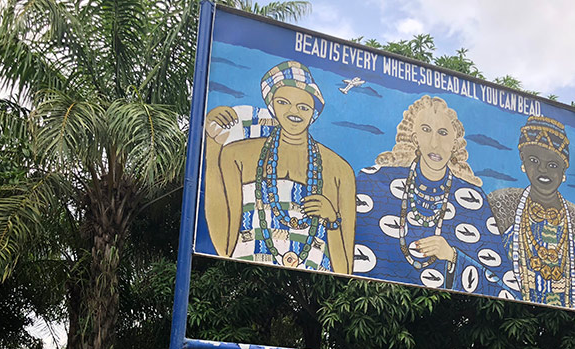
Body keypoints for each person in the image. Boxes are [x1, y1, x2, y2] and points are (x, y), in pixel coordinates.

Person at [354, 95, 518, 297]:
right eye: (425, 130)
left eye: (443, 133)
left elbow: (508, 289)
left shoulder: (473, 201)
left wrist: (451, 256)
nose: (434, 143)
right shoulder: (374, 182)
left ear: (454, 143)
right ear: (414, 138)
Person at [204, 60, 356, 274]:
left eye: (303, 107)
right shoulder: (236, 155)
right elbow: (224, 245)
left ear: (314, 111)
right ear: (272, 105)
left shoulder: (340, 171)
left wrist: (331, 218)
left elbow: (345, 269)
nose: (294, 112)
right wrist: (212, 146)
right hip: (246, 282)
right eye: (284, 102)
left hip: (316, 293)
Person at [487, 116, 575, 312]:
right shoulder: (503, 203)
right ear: (523, 163)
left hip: (572, 330)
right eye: (534, 160)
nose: (542, 170)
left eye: (553, 165)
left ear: (564, 170)